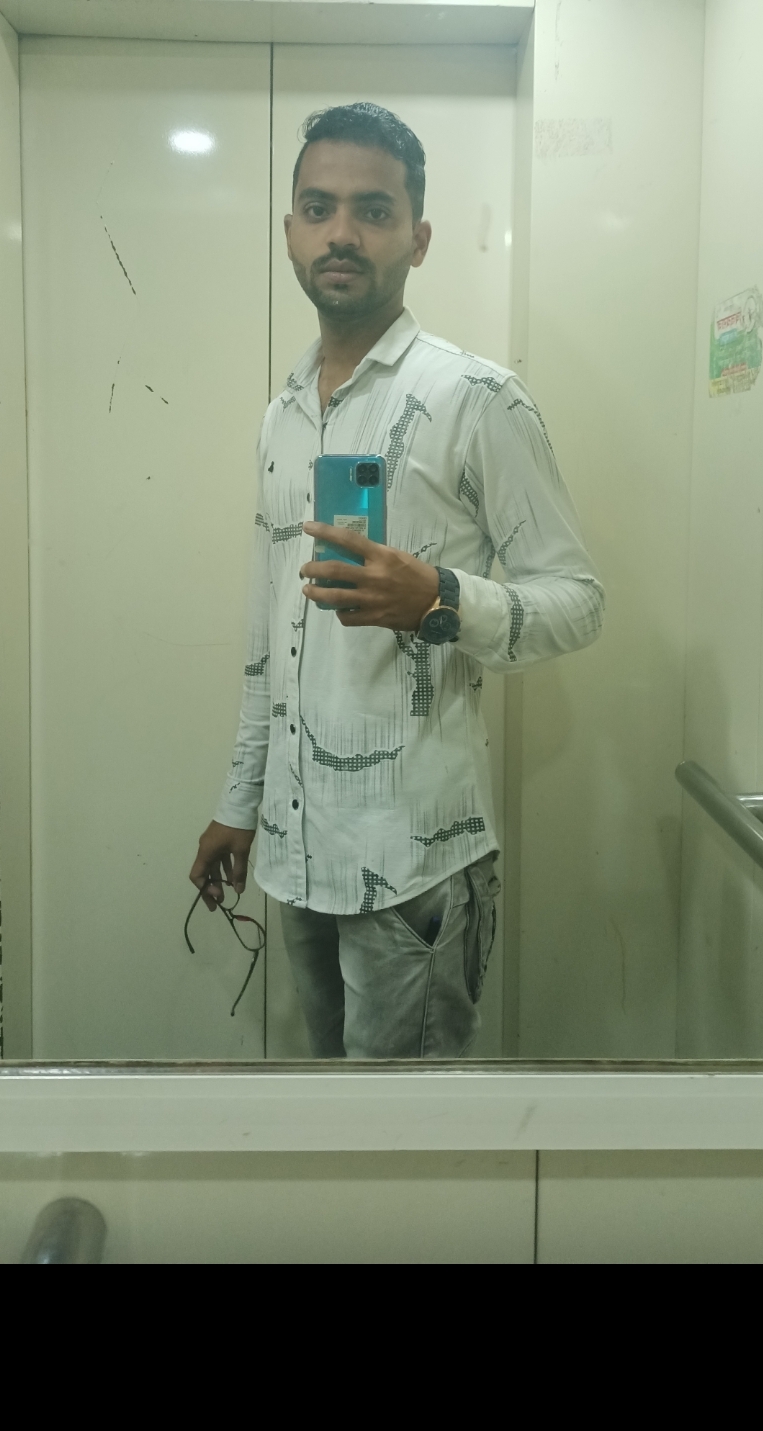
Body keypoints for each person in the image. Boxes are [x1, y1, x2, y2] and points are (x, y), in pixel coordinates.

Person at [190, 102, 604, 1058]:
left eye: (373, 210)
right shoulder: (283, 416)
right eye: (319, 208)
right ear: (289, 231)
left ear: (417, 239)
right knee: (334, 1114)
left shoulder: (477, 398)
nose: (342, 233)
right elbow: (269, 637)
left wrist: (442, 601)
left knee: (412, 1128)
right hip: (296, 851)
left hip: (414, 863)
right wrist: (239, 803)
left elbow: (579, 602)